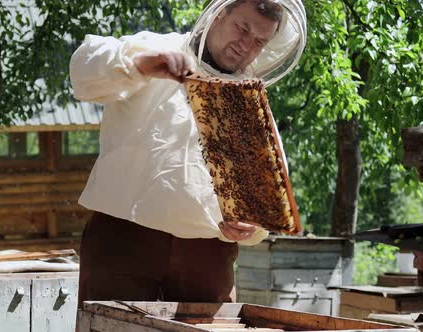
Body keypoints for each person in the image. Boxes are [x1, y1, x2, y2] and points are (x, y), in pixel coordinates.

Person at [70, 0, 306, 307]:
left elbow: (271, 193)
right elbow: (83, 69)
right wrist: (140, 64)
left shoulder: (250, 100)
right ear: (220, 14)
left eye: (259, 41)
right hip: (123, 237)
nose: (246, 45)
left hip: (207, 253)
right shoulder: (160, 47)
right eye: (242, 28)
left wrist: (252, 226)